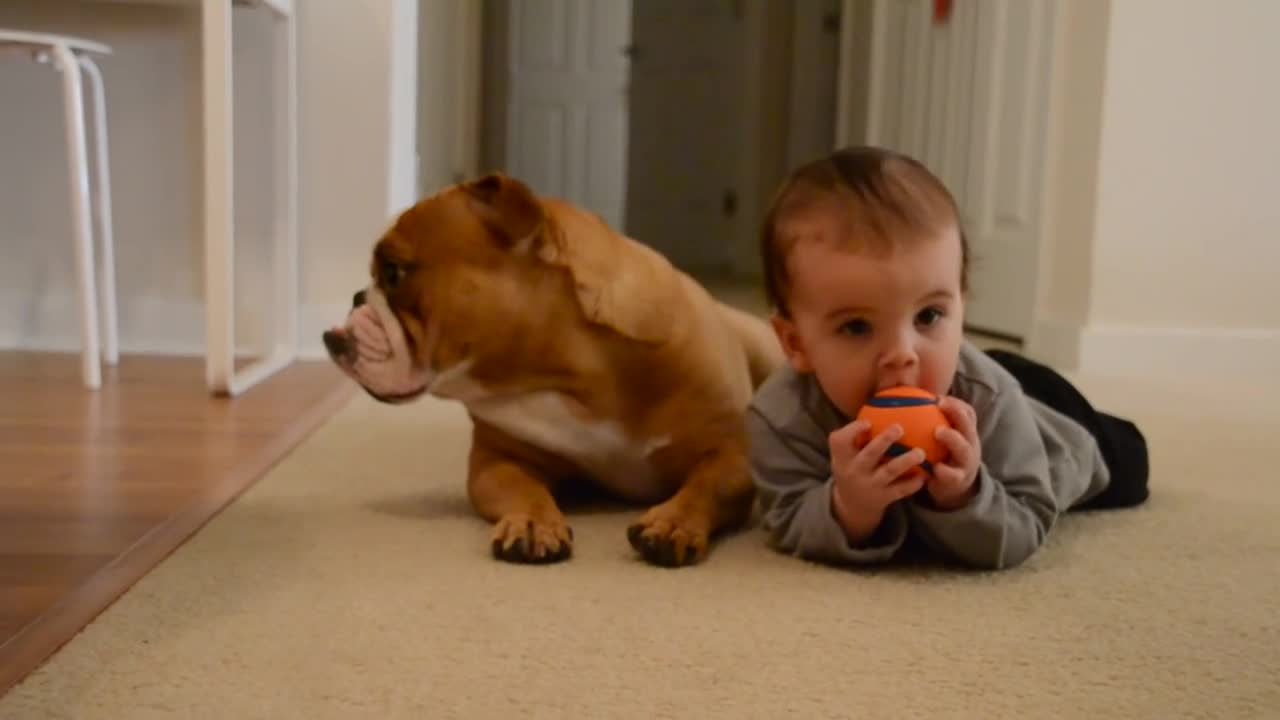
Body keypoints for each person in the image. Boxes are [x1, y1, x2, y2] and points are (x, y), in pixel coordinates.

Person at [746, 145, 1150, 570]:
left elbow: (1022, 530)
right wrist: (848, 507)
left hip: (1042, 419)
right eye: (857, 327)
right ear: (796, 345)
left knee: (1129, 466)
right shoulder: (780, 416)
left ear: (962, 307)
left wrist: (966, 494)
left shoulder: (990, 399)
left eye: (929, 315)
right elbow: (785, 522)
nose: (902, 355)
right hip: (967, 373)